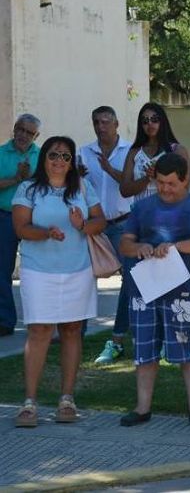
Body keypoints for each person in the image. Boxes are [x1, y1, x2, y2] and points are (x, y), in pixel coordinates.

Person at [11, 136, 106, 427]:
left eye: (66, 156)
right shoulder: (28, 188)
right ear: (44, 158)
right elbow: (20, 227)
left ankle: (67, 400)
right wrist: (46, 233)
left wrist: (81, 225)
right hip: (38, 270)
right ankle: (29, 403)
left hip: (77, 269)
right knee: (39, 331)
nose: (59, 161)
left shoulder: (82, 186)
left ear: (71, 161)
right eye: (54, 155)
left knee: (72, 330)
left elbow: (100, 222)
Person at [119, 153, 190, 430]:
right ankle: (142, 408)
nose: (165, 188)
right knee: (144, 349)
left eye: (171, 183)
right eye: (161, 182)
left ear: (185, 179)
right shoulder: (142, 208)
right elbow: (125, 243)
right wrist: (138, 248)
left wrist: (176, 247)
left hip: (182, 293)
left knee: (188, 349)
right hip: (144, 291)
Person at [78, 106, 134, 364]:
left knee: (131, 282)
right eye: (96, 122)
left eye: (105, 122)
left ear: (116, 124)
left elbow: (129, 185)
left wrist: (108, 169)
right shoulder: (84, 152)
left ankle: (118, 337)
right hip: (94, 226)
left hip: (123, 223)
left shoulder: (130, 151)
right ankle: (76, 333)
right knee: (83, 279)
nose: (101, 127)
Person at [0, 114, 41, 337]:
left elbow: (46, 185)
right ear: (14, 129)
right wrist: (16, 178)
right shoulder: (1, 153)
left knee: (38, 271)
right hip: (5, 217)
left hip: (34, 220)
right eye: (21, 129)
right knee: (2, 271)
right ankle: (5, 321)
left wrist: (30, 177)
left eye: (29, 132)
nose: (23, 135)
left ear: (36, 136)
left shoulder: (43, 155)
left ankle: (41, 321)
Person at [120, 102, 190, 203]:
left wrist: (160, 175)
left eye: (154, 119)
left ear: (163, 121)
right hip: (140, 215)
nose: (150, 124)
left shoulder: (177, 150)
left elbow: (185, 187)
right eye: (145, 121)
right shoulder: (134, 152)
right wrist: (147, 178)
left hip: (168, 214)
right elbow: (124, 190)